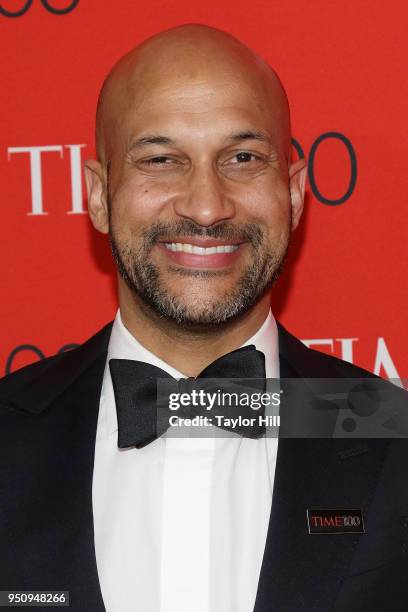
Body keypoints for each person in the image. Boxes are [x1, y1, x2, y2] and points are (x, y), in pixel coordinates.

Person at [1, 23, 407, 612]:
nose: (207, 205)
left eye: (242, 158)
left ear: (292, 193)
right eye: (161, 159)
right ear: (97, 193)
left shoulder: (394, 435)